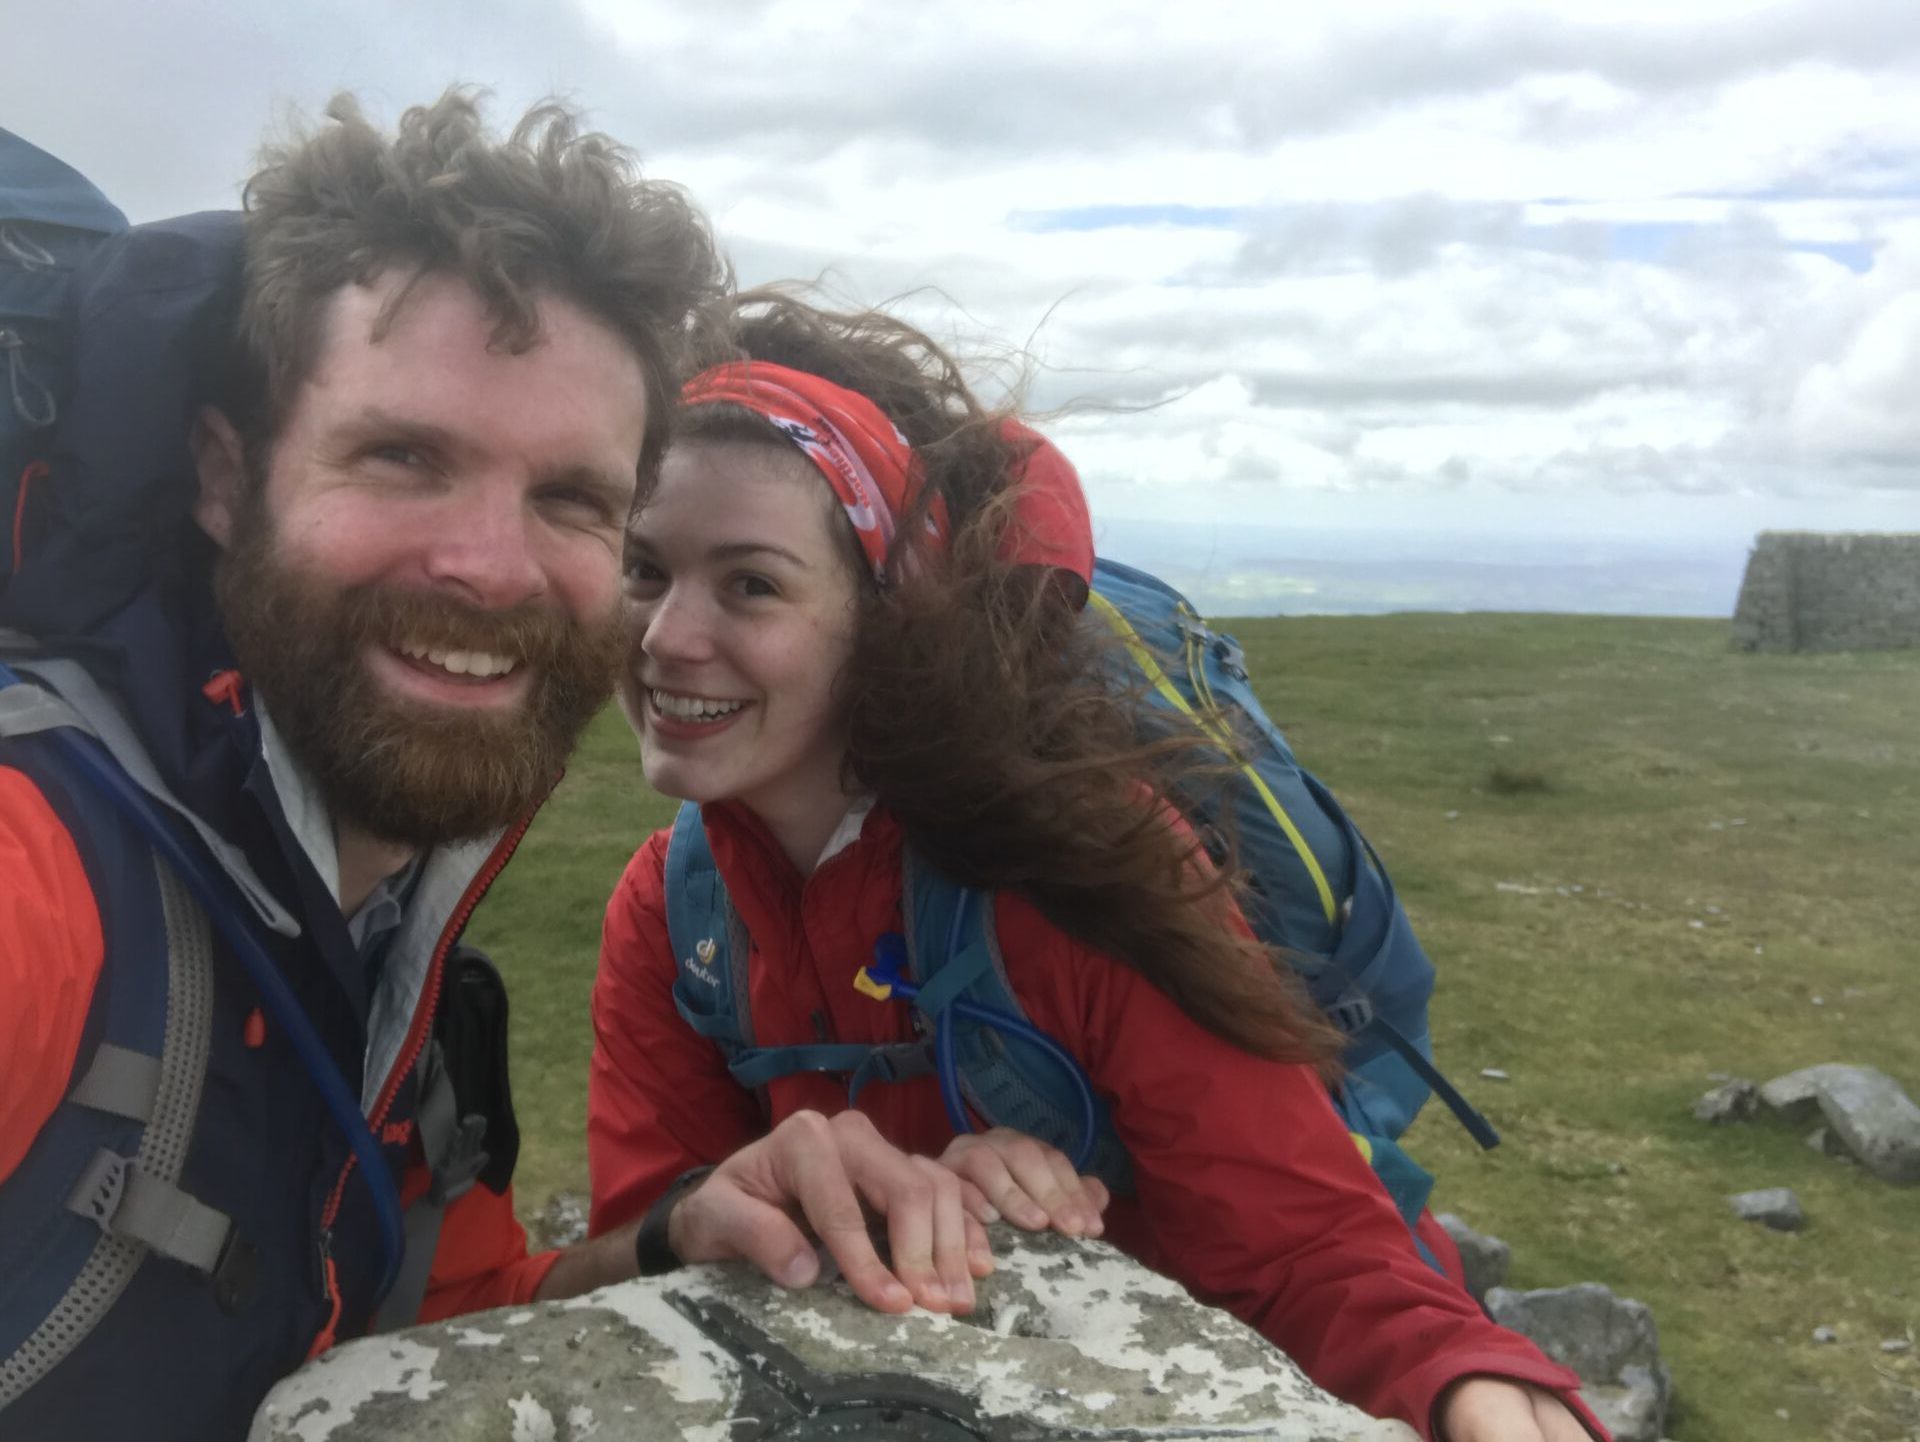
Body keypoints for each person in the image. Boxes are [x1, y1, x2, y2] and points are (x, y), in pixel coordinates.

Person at [587, 292, 1609, 1441]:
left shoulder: (1060, 865)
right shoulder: (675, 913)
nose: (668, 635)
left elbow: (1310, 1247)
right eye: (642, 568)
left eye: (751, 583)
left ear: (885, 619)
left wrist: (1472, 1386)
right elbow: (624, 1262)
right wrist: (698, 1216)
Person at [0, 93, 728, 1439]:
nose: (493, 567)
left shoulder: (378, 909)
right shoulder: (41, 869)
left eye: (570, 498)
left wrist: (678, 1238)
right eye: (403, 456)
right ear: (227, 479)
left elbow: (413, 1324)